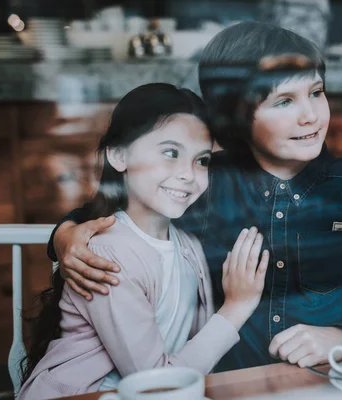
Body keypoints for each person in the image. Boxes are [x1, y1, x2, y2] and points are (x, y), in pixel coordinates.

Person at [47, 22, 342, 372]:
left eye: (316, 92)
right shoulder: (201, 184)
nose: (310, 115)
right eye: (284, 101)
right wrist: (66, 236)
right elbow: (111, 216)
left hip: (335, 386)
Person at [18, 83, 269, 399]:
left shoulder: (188, 244)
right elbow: (157, 384)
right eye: (170, 152)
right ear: (119, 155)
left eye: (201, 160)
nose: (189, 175)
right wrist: (236, 307)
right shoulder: (107, 256)